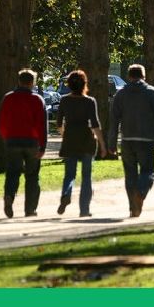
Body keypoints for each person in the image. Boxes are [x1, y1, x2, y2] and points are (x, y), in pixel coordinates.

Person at [108, 64, 154, 217]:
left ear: (129, 76)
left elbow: (114, 120)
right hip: (146, 139)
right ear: (144, 76)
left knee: (130, 175)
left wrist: (112, 142)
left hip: (127, 140)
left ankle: (133, 208)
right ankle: (141, 193)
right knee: (148, 171)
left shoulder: (121, 94)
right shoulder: (150, 92)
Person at [56, 70, 107, 217]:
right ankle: (84, 209)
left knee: (69, 175)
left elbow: (59, 123)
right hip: (86, 140)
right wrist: (102, 144)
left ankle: (66, 194)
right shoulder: (89, 101)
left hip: (70, 139)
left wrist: (65, 135)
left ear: (69, 85)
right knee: (86, 177)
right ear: (85, 84)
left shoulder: (64, 100)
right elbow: (95, 124)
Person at [0, 69, 48, 218]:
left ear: (19, 81)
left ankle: (9, 196)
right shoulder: (37, 100)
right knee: (32, 175)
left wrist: (6, 136)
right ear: (32, 82)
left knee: (12, 172)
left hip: (12, 140)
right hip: (31, 141)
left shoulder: (8, 98)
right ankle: (30, 209)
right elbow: (42, 125)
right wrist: (43, 145)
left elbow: (1, 121)